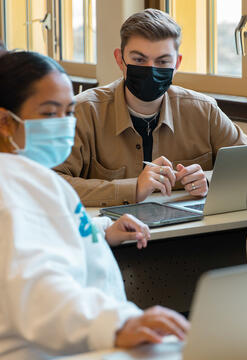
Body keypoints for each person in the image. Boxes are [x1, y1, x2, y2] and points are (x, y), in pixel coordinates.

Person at [0, 51, 189, 360]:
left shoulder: (27, 175)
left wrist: (99, 230)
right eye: (49, 114)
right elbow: (38, 289)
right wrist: (117, 324)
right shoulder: (11, 184)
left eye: (69, 112)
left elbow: (33, 236)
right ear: (6, 121)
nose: (64, 125)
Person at [54, 8, 247, 207]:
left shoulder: (204, 110)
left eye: (162, 61)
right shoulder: (83, 111)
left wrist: (208, 180)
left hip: (190, 231)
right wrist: (133, 188)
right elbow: (51, 182)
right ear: (119, 59)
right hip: (112, 232)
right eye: (139, 60)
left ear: (177, 63)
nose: (151, 69)